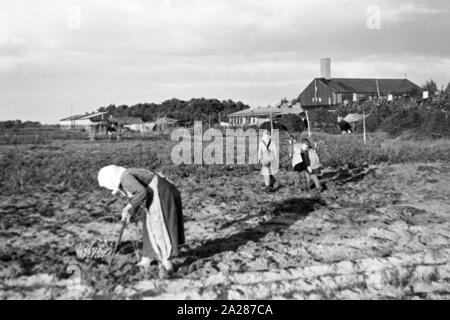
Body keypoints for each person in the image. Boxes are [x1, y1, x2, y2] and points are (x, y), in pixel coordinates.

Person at [98, 165, 185, 273]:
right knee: (148, 225)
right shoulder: (129, 173)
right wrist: (130, 213)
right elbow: (137, 197)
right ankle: (146, 258)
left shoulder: (125, 178)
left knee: (160, 227)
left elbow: (141, 193)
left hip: (162, 194)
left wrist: (128, 207)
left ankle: (167, 264)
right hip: (163, 192)